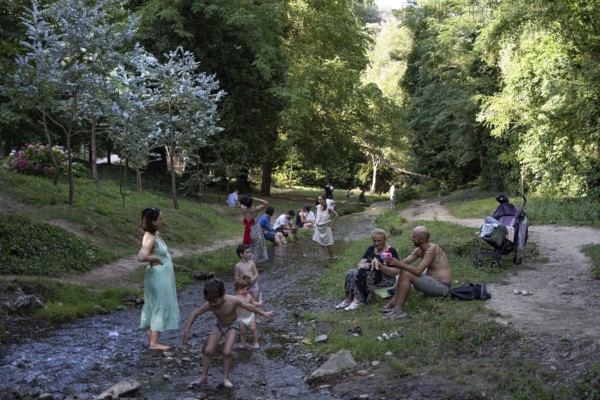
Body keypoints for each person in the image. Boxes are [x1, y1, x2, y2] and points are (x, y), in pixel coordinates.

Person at [182, 279, 275, 388]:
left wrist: (264, 313)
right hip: (219, 325)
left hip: (232, 325)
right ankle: (203, 377)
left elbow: (249, 306)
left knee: (227, 352)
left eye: (215, 300)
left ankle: (225, 378)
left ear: (222, 294)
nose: (212, 303)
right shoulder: (210, 304)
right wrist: (187, 331)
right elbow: (194, 314)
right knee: (208, 351)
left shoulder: (232, 300)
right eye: (210, 301)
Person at [380, 226, 452, 320]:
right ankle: (394, 302)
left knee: (406, 273)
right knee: (404, 270)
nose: (411, 238)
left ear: (421, 239)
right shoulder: (419, 250)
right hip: (431, 283)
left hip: (442, 288)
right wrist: (390, 262)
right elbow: (404, 263)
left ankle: (398, 310)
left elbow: (418, 271)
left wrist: (398, 263)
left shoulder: (432, 249)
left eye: (414, 237)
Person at [137, 207, 180, 350]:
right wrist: (154, 257)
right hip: (159, 276)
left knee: (154, 304)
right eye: (160, 219)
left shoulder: (154, 234)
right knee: (160, 304)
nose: (163, 221)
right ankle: (154, 343)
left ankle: (151, 339)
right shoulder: (150, 237)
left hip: (159, 275)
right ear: (153, 222)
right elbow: (141, 256)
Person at [335, 229, 399, 311]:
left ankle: (357, 300)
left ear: (384, 240)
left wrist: (381, 267)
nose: (376, 243)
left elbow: (396, 271)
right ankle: (348, 299)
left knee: (364, 274)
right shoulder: (371, 249)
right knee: (351, 272)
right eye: (374, 241)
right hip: (369, 273)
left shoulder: (390, 251)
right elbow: (360, 264)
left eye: (379, 241)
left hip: (385, 277)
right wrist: (364, 265)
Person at [239, 194, 269, 263]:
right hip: (256, 231)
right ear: (251, 201)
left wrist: (247, 199)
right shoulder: (255, 210)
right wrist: (254, 198)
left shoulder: (243, 209)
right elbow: (266, 203)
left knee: (250, 248)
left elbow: (241, 202)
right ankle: (254, 264)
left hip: (248, 230)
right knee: (257, 249)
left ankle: (248, 261)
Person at [234, 275, 261, 349]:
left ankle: (256, 342)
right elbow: (232, 306)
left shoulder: (249, 295)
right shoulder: (235, 298)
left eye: (247, 289)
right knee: (243, 332)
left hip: (250, 316)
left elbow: (254, 303)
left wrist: (257, 303)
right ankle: (243, 344)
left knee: (253, 329)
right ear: (238, 288)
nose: (246, 291)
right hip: (241, 318)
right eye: (243, 289)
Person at [312, 195, 338, 261]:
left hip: (326, 227)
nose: (319, 201)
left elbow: (336, 215)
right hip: (319, 227)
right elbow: (318, 217)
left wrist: (332, 224)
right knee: (320, 245)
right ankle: (322, 260)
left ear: (324, 200)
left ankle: (332, 257)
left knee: (328, 245)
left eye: (321, 199)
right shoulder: (317, 207)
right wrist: (315, 223)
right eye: (318, 200)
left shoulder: (328, 208)